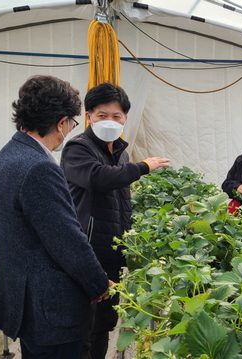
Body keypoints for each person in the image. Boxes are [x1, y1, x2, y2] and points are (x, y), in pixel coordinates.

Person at [0, 75, 112, 359]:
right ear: (61, 122)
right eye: (71, 124)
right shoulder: (39, 167)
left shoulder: (5, 157)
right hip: (50, 307)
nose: (69, 131)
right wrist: (99, 283)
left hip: (24, 302)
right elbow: (67, 240)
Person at [60, 82, 170, 359]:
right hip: (87, 250)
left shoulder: (120, 151)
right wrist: (143, 167)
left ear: (125, 119)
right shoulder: (77, 149)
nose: (110, 121)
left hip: (112, 250)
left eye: (116, 116)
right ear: (88, 117)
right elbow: (97, 178)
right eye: (102, 115)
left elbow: (122, 199)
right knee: (84, 321)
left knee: (105, 322)